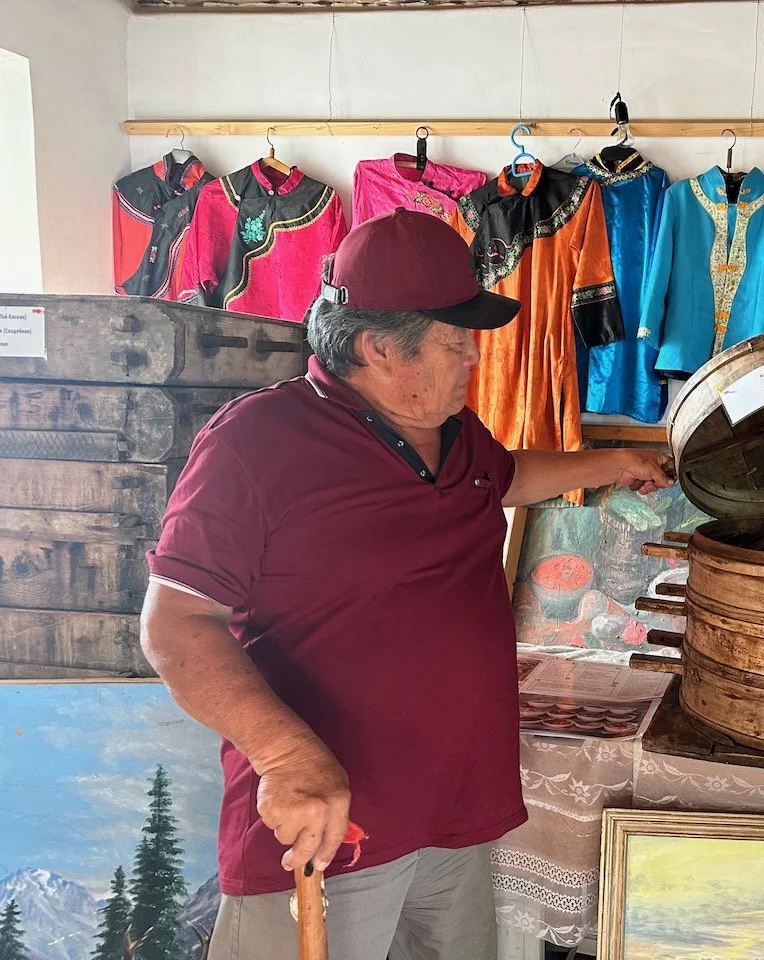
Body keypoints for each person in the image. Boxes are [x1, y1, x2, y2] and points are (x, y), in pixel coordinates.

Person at [140, 209, 674, 960]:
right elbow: (175, 627)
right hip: (334, 823)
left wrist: (610, 462)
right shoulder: (257, 443)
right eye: (456, 344)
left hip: (453, 812)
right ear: (376, 348)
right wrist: (287, 758)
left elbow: (506, 477)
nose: (474, 361)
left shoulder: (454, 430)